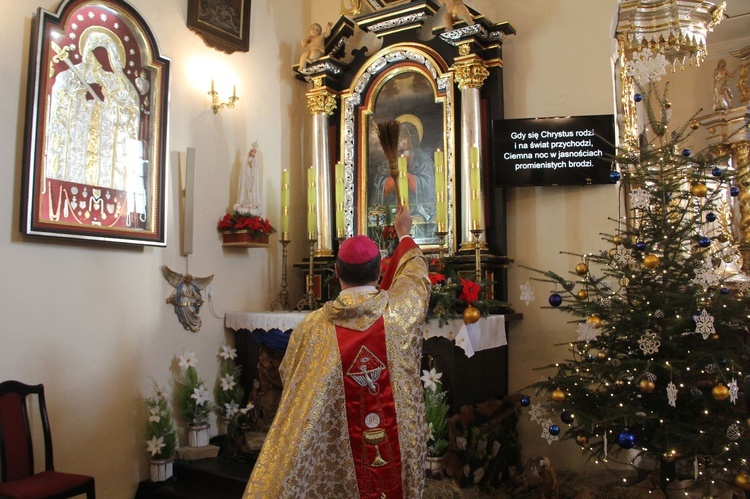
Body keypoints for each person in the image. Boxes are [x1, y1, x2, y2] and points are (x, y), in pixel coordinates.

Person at [244, 205, 431, 498]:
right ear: (380, 269)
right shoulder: (402, 312)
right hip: (396, 443)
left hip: (339, 450)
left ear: (336, 272)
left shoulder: (311, 328)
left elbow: (290, 377)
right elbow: (415, 276)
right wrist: (403, 234)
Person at [45, 26, 141, 190]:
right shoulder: (68, 78)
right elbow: (61, 104)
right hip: (76, 157)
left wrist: (109, 102)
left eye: (104, 56)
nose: (97, 61)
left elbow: (129, 112)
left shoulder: (118, 85)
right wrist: (82, 99)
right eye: (94, 54)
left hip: (108, 161)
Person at [369, 115, 436, 224]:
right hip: (392, 218)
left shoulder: (424, 162)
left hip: (419, 218)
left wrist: (408, 178)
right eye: (398, 136)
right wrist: (388, 183)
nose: (401, 140)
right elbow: (379, 187)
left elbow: (429, 187)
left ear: (413, 137)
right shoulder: (387, 163)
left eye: (404, 136)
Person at [234, 143, 262, 216]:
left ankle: (252, 202)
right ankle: (246, 201)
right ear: (250, 152)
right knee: (247, 189)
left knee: (252, 190)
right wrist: (248, 166)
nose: (253, 153)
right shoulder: (246, 159)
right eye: (252, 151)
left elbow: (256, 169)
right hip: (247, 177)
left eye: (254, 152)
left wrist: (252, 167)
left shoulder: (255, 160)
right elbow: (244, 168)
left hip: (252, 177)